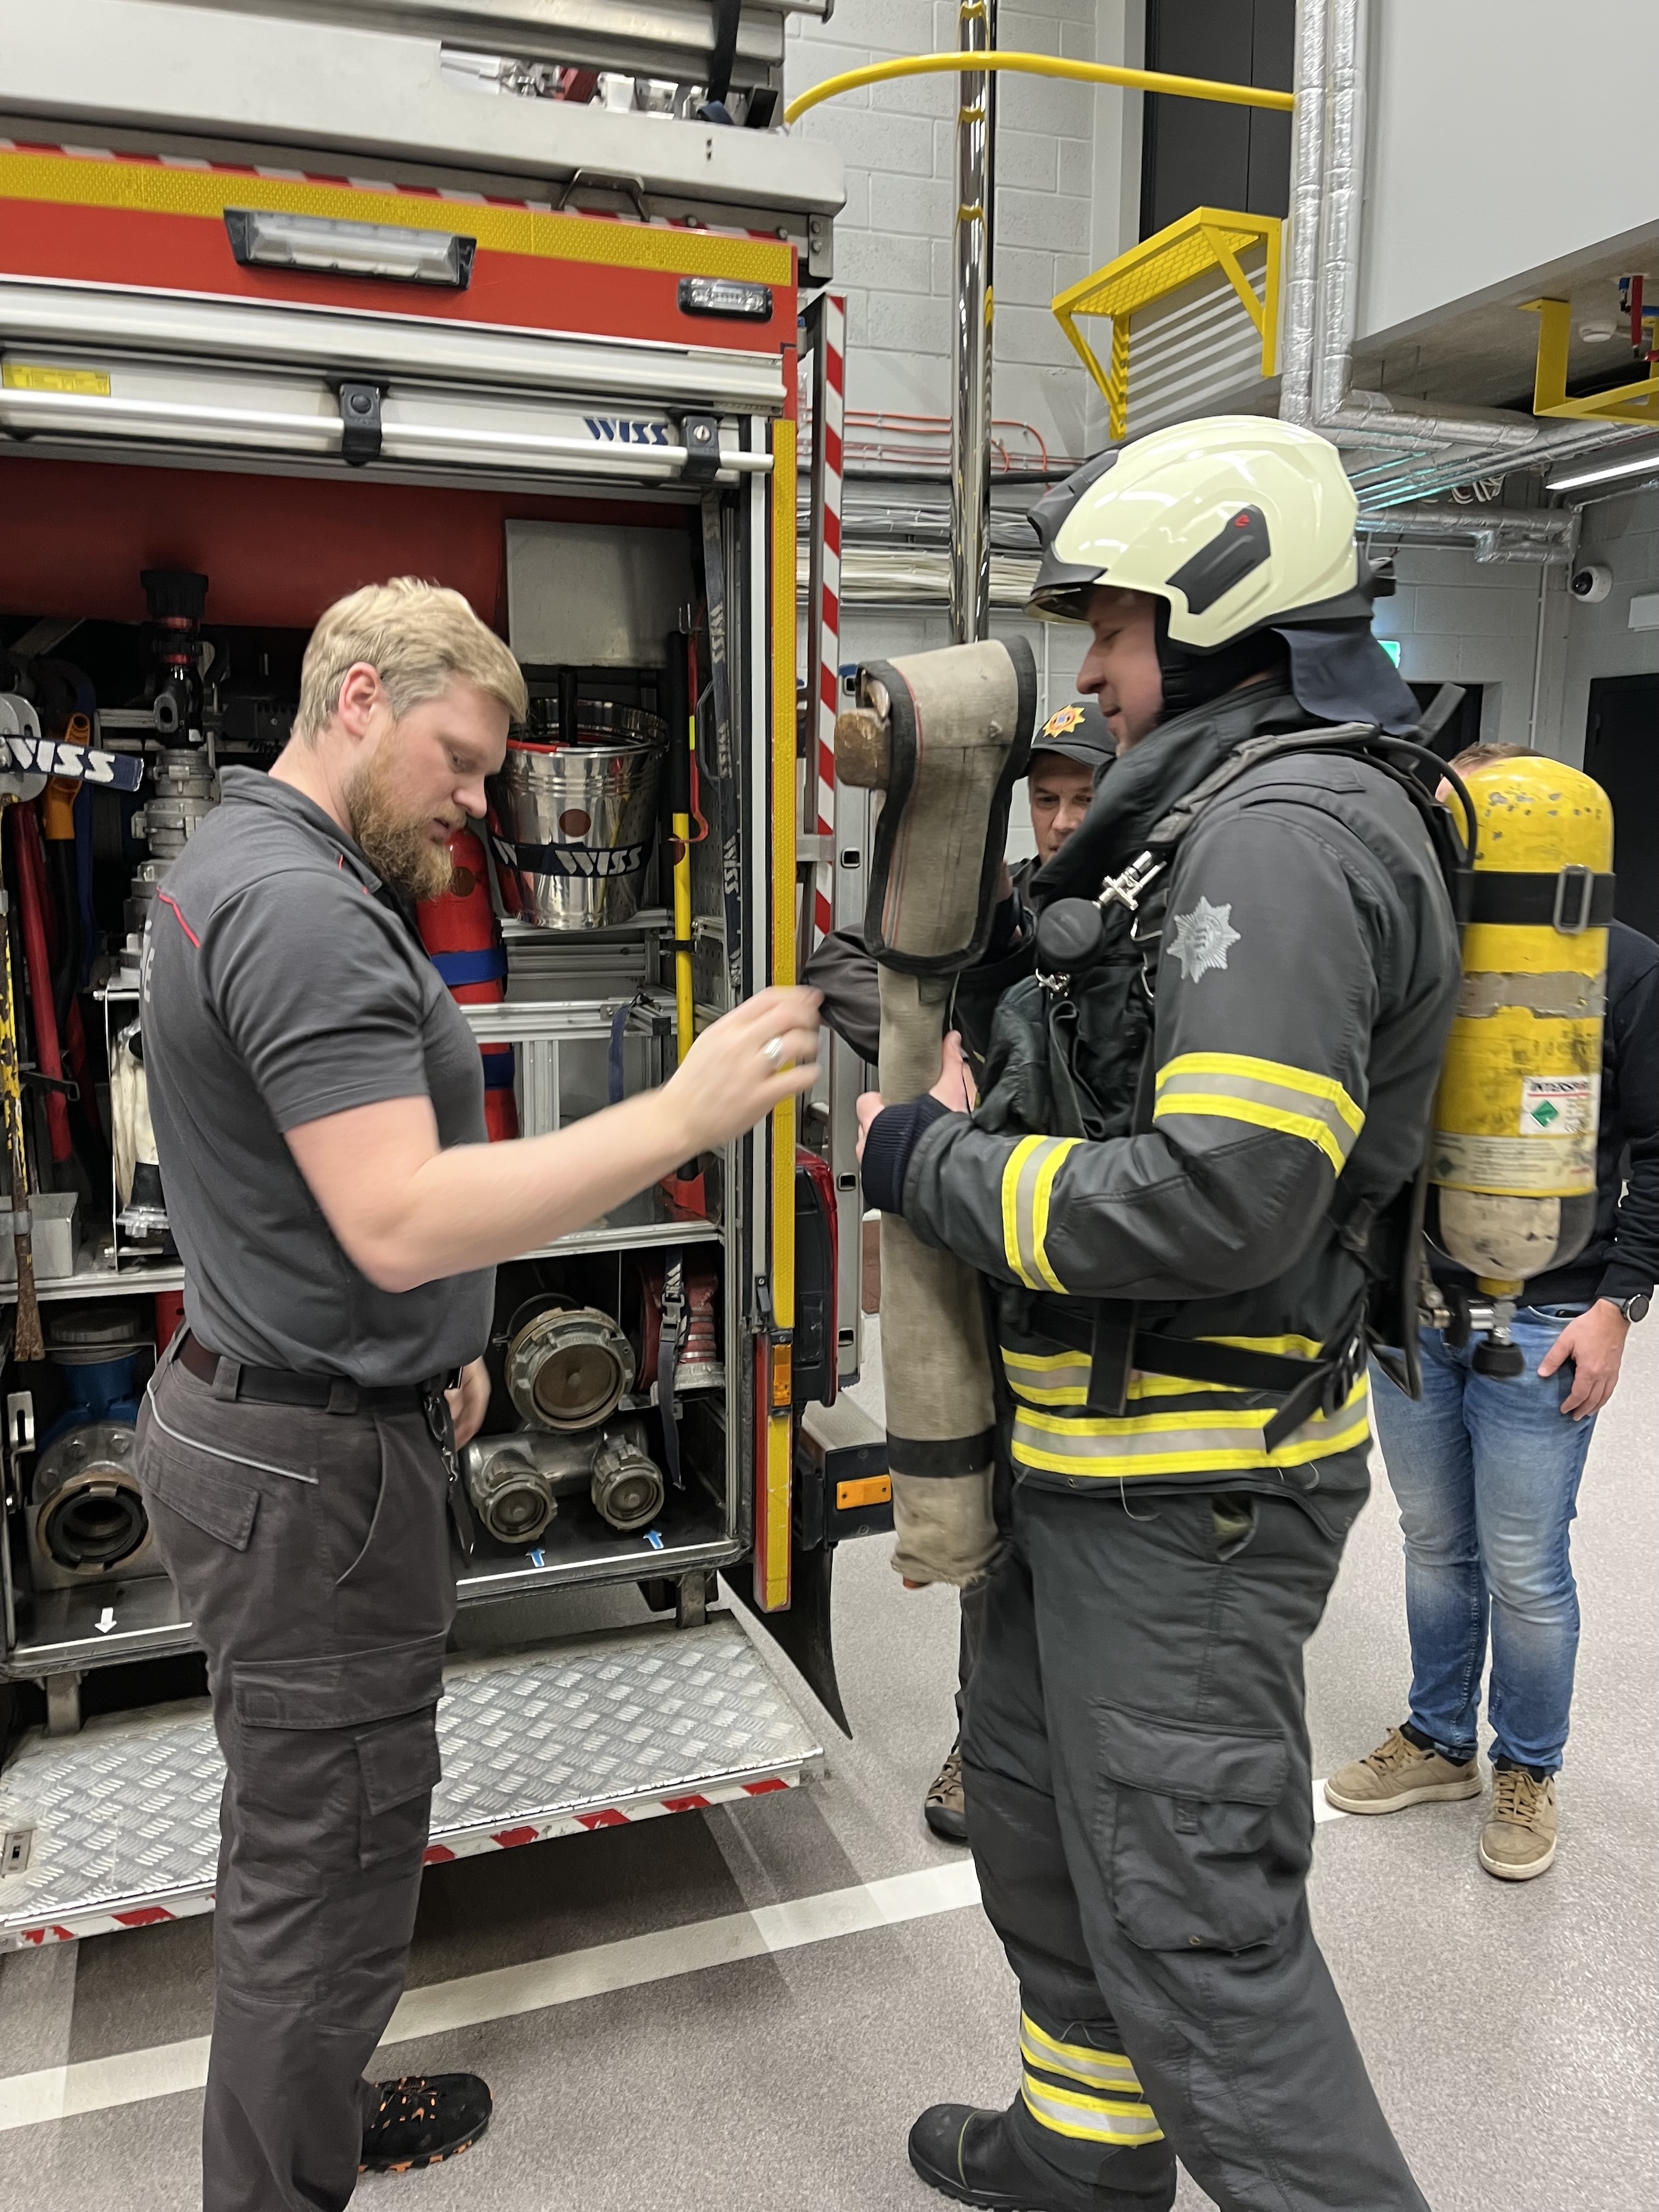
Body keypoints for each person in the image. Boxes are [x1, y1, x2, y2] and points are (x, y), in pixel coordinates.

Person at [135, 578, 820, 2212]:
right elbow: (394, 1211)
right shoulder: (301, 910)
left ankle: (306, 2114)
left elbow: (316, 1196)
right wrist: (681, 1114)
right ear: (360, 697)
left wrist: (432, 1338)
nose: (474, 801)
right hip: (309, 1476)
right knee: (327, 1877)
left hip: (285, 1418)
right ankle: (278, 2179)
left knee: (309, 1845)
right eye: (456, 759)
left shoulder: (247, 863)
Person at [857, 417, 1458, 2212]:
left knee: (1195, 1932)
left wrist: (930, 1164)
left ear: (1218, 613)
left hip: (1189, 1497)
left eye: (1113, 629)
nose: (1093, 675)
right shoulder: (1188, 827)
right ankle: (1083, 2158)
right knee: (1048, 1849)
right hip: (1086, 1465)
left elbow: (1223, 1193)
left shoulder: (1281, 839)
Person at [1326, 740, 1658, 1878]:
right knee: (1432, 1542)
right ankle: (1438, 1739)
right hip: (1415, 1310)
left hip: (1550, 1317)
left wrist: (1618, 1304)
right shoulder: (1411, 956)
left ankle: (1529, 1766)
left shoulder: (1623, 967)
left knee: (1524, 1561)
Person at [805, 701, 1114, 1842]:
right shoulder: (1004, 909)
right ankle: (981, 1742)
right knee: (992, 1510)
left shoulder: (1153, 923)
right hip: (994, 1249)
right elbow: (844, 959)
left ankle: (1080, 1749)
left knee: (1095, 1535)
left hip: (1106, 1268)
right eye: (1047, 798)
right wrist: (947, 1057)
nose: (1063, 820)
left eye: (1085, 798)